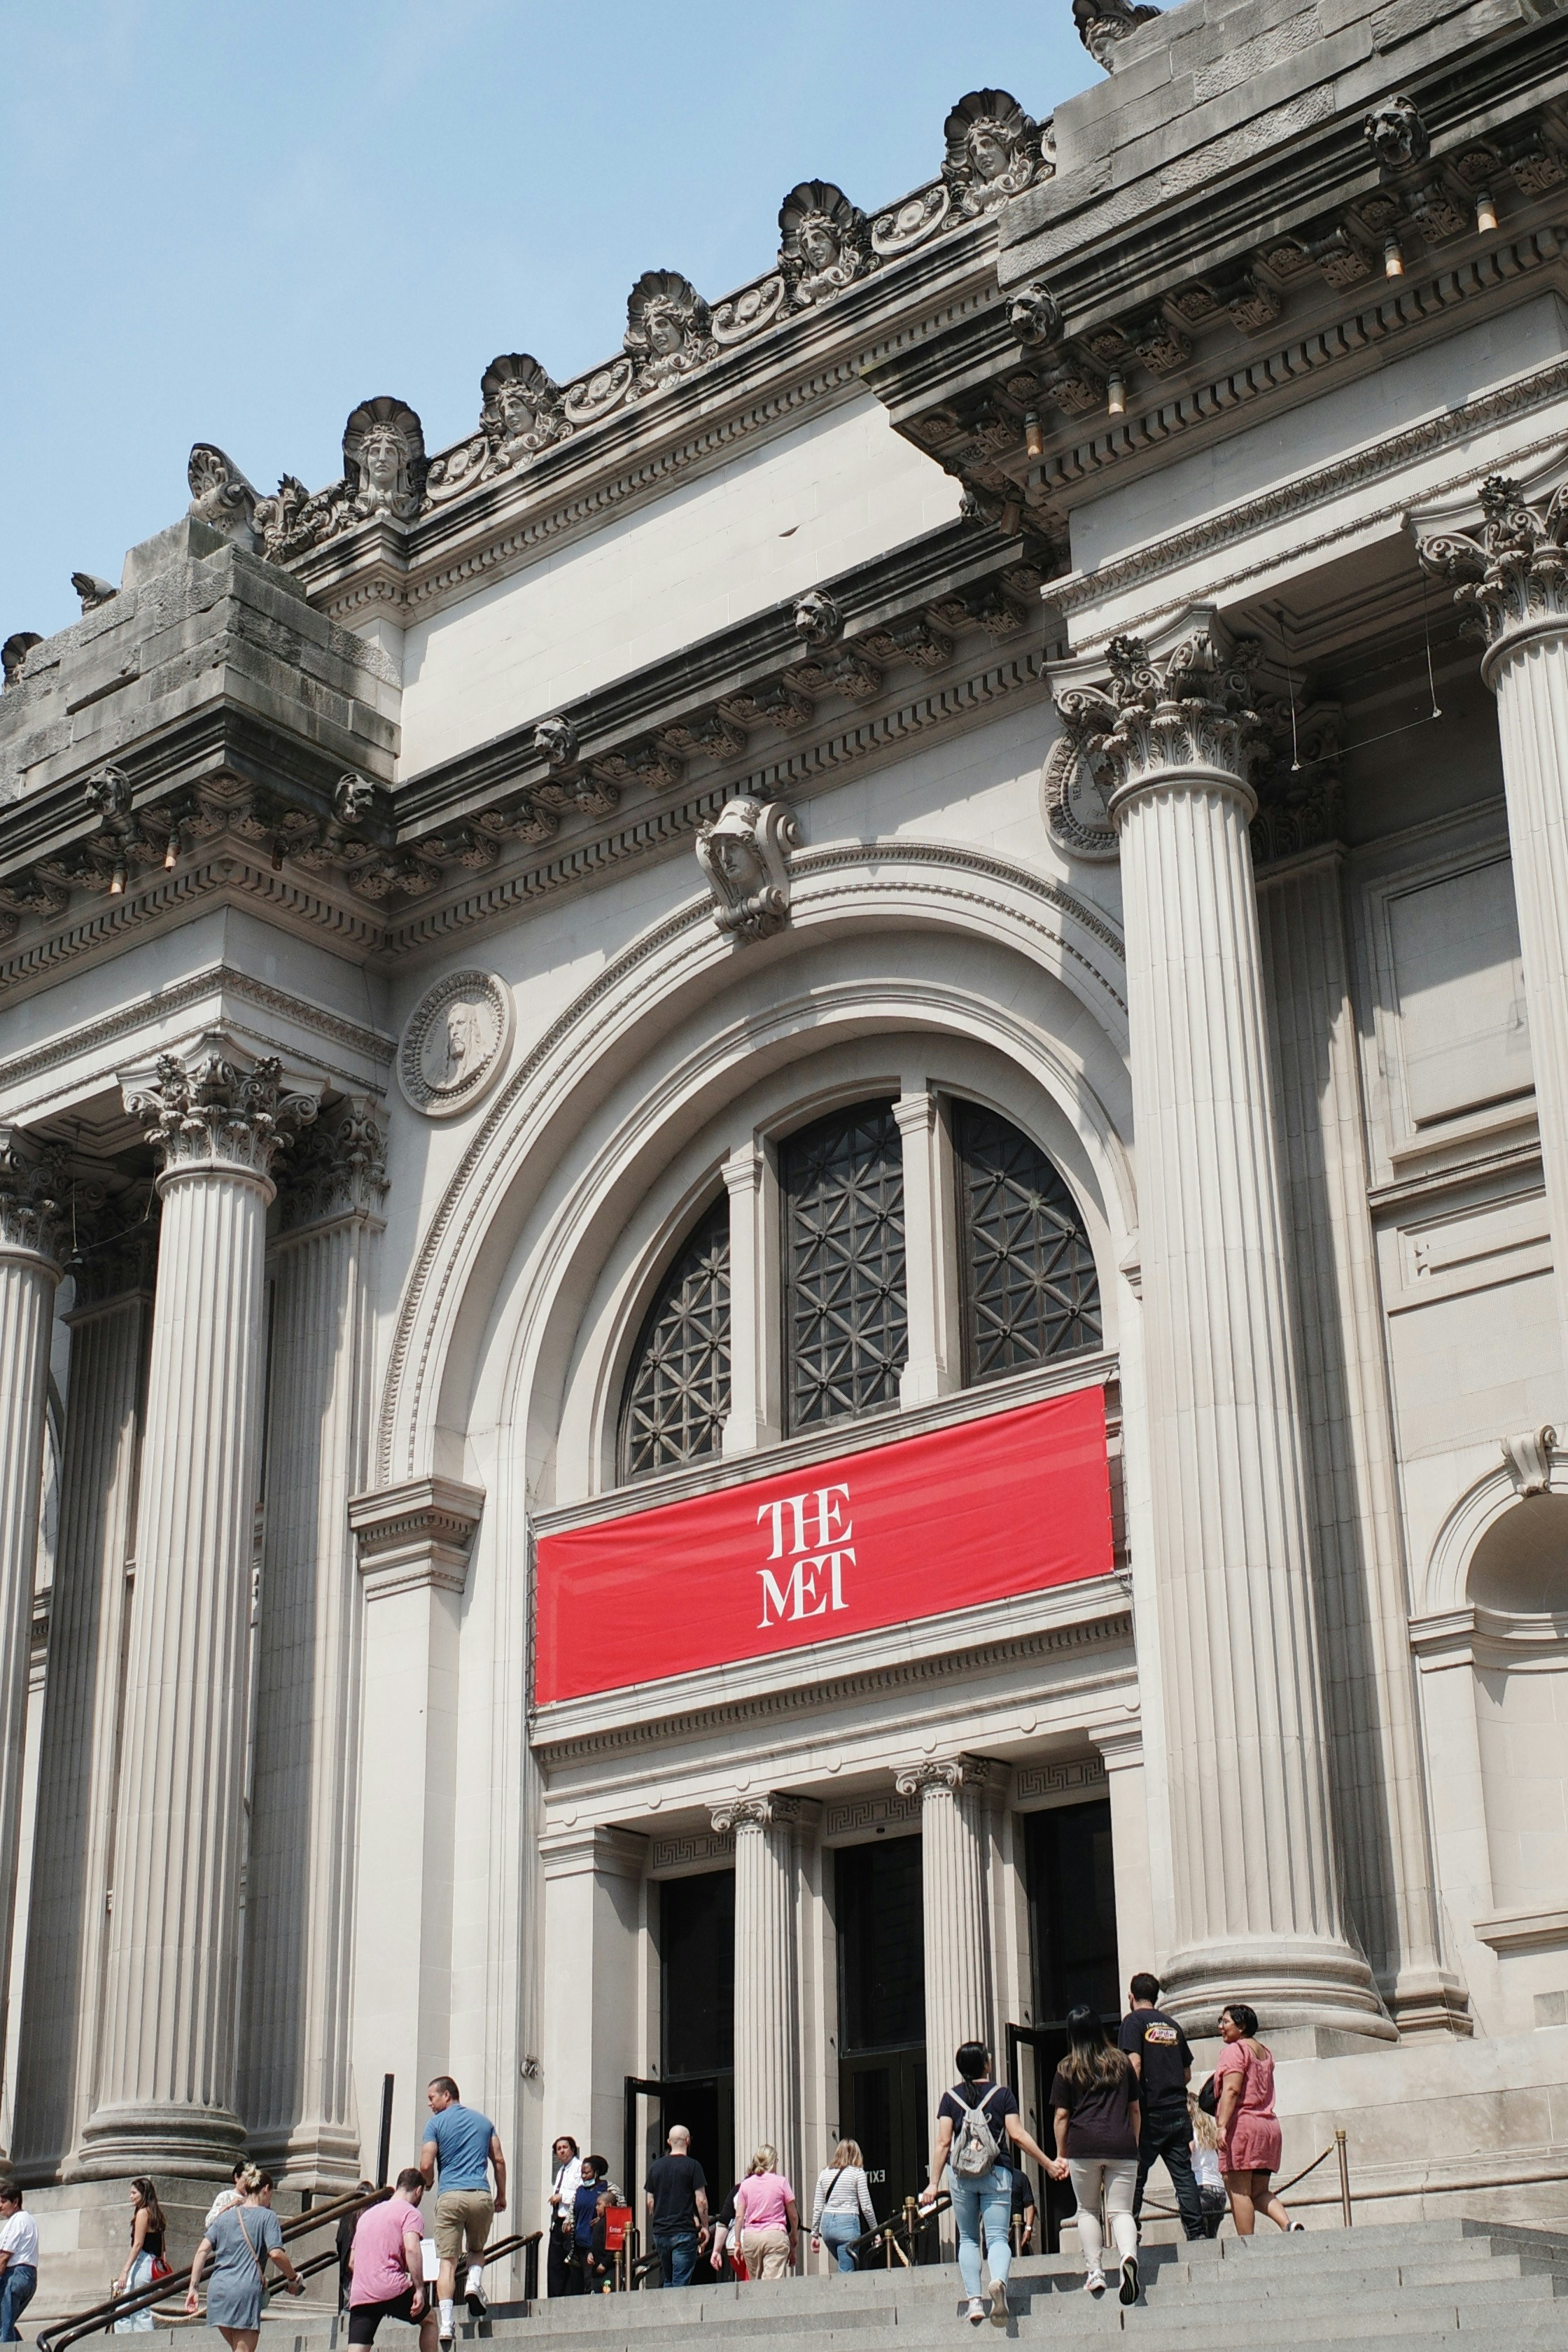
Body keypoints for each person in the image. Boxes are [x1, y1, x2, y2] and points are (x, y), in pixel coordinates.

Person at [920, 2039, 1058, 2328]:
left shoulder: (950, 2098)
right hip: (996, 2172)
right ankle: (998, 2281)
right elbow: (1018, 2135)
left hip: (961, 2177)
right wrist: (1047, 2163)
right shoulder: (1002, 2095)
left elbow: (944, 2142)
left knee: (969, 2238)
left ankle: (974, 2302)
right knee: (996, 2237)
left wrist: (933, 2183)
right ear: (985, 2063)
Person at [1050, 2005, 1142, 2308]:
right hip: (1122, 2144)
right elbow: (1135, 2109)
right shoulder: (1121, 2063)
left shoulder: (1067, 2067)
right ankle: (1128, 2254)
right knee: (1121, 2212)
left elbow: (1062, 2116)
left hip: (1084, 2145)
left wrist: (1060, 2153)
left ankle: (1096, 2272)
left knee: (1087, 2210)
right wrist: (1133, 2142)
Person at [419, 2075, 507, 2345]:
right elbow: (499, 2160)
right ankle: (473, 2282)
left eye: (432, 2098)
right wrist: (501, 2195)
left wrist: (430, 2180)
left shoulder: (435, 2124)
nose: (430, 2104)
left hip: (450, 2196)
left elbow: (425, 2162)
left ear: (447, 2095)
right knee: (477, 2250)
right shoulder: (485, 2122)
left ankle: (446, 2323)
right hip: (480, 2194)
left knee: (447, 2262)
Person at [1119, 1972, 1204, 2242]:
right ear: (1156, 1997)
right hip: (1178, 2111)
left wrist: (1127, 2101)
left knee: (1136, 2174)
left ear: (1131, 1997)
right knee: (1183, 2176)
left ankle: (1130, 2233)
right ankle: (1197, 2232)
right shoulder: (1172, 2024)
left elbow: (1134, 2064)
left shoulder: (1133, 2022)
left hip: (1148, 2111)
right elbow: (1187, 2073)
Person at [186, 2165, 304, 2352]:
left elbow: (202, 2251)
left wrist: (194, 2287)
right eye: (271, 2194)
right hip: (244, 2290)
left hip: (218, 2291)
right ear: (266, 2190)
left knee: (237, 2348)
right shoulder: (268, 2217)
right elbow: (276, 2253)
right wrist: (292, 2277)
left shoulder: (224, 2218)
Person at [1212, 2003, 1304, 2238]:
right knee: (1259, 2191)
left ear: (1241, 2026)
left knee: (1239, 2190)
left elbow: (1231, 2090)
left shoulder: (1235, 2050)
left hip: (1242, 2126)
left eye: (1225, 2022)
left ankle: (1247, 2245)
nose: (1220, 2027)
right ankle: (1288, 2224)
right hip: (1268, 2126)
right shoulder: (1264, 2051)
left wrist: (1222, 2126)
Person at [347, 2169, 436, 2352]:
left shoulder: (366, 2216)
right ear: (418, 2191)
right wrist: (419, 2288)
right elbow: (412, 2248)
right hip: (391, 2286)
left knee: (357, 2349)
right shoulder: (410, 2213)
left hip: (361, 2292)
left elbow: (352, 2262)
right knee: (430, 2320)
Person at [643, 2124, 708, 2288]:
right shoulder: (693, 2166)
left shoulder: (655, 2167)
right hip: (683, 2230)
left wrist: (659, 2215)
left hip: (661, 2231)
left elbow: (650, 2201)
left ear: (668, 2142)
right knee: (680, 2281)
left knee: (668, 2278)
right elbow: (701, 2201)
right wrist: (705, 2226)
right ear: (688, 2141)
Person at [732, 2144, 798, 2281]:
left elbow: (739, 2216)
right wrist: (794, 2235)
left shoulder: (746, 2184)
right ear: (773, 2162)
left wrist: (737, 2242)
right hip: (775, 2235)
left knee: (754, 2283)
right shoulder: (781, 2182)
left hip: (752, 2237)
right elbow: (793, 2214)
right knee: (771, 2284)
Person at [810, 2140, 876, 2274]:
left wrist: (815, 2234)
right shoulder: (858, 2173)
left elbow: (818, 2206)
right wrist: (875, 2231)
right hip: (847, 2224)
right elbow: (867, 2206)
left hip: (827, 2226)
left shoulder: (824, 2173)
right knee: (847, 2272)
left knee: (844, 2264)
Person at [112, 2178, 167, 2334]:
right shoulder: (156, 2213)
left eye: (134, 2193)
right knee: (127, 2309)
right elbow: (163, 2247)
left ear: (144, 2194)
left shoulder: (143, 2213)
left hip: (143, 2262)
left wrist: (125, 2270)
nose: (131, 2196)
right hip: (152, 2262)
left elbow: (138, 2245)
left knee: (136, 2309)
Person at [0, 2185, 39, 2344]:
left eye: (3, 2202)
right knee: (4, 2322)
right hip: (27, 2277)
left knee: (5, 2325)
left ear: (15, 2202)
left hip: (15, 2275)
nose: (0, 2206)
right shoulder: (28, 2219)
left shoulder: (17, 2220)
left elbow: (4, 2257)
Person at [546, 2136, 582, 2299]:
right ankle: (555, 2295)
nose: (562, 2151)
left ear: (572, 2149)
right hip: (558, 2218)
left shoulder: (579, 2167)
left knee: (570, 2259)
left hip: (571, 2219)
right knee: (555, 2261)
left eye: (565, 2147)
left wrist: (562, 2197)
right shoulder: (561, 2170)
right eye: (559, 2149)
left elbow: (580, 2192)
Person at [1188, 2094, 1227, 2237]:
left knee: (1197, 2240)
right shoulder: (1210, 2134)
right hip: (1219, 2191)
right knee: (1212, 2239)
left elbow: (1189, 2151)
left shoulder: (1189, 2133)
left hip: (1200, 2189)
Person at [339, 2182, 376, 2310]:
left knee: (350, 2305)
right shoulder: (372, 2217)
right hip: (368, 2272)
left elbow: (339, 2240)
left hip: (348, 2271)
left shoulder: (347, 2216)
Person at [204, 2163, 248, 2233]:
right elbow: (209, 2222)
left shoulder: (256, 2199)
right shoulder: (225, 2196)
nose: (248, 2184)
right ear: (236, 2177)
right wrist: (229, 2205)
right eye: (246, 2180)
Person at [1007, 2163, 1035, 2256]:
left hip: (1018, 2235)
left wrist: (1028, 2229)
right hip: (995, 2235)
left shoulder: (1020, 2177)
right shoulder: (988, 2177)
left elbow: (1029, 2205)